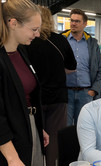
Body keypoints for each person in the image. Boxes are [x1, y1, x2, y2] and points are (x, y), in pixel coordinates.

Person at [0, 0, 49, 166]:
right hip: (8, 141)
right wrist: (12, 157)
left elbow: (27, 96)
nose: (37, 34)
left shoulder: (22, 50)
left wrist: (37, 127)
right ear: (13, 23)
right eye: (34, 29)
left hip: (28, 127)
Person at [26, 6, 77, 166]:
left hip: (34, 98)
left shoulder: (27, 42)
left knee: (33, 137)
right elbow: (72, 67)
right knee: (54, 139)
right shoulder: (60, 40)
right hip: (58, 98)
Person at [61, 9, 101, 126]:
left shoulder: (92, 44)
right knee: (66, 128)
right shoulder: (62, 41)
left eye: (77, 21)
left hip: (86, 93)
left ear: (85, 24)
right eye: (72, 20)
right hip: (66, 93)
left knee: (85, 127)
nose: (73, 23)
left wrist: (94, 90)